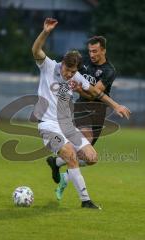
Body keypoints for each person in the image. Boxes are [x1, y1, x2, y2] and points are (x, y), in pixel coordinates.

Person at [32, 18, 130, 209]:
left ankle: (56, 163)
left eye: (73, 71)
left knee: (92, 158)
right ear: (62, 64)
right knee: (70, 154)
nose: (69, 75)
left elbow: (96, 93)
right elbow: (36, 50)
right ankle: (85, 201)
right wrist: (45, 32)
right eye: (67, 70)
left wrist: (116, 105)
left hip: (67, 126)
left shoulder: (76, 76)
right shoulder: (48, 67)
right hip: (47, 125)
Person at [46, 36, 119, 200]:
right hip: (81, 108)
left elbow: (95, 94)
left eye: (95, 51)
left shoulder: (109, 71)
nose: (91, 54)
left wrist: (79, 89)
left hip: (98, 111)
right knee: (86, 139)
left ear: (103, 50)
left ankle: (59, 165)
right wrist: (74, 88)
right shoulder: (82, 62)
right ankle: (83, 196)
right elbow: (67, 68)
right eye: (90, 51)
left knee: (89, 156)